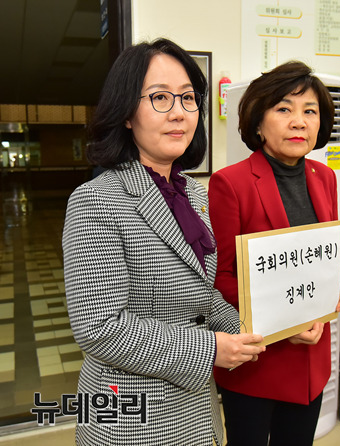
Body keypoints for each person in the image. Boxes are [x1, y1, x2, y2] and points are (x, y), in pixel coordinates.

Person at [62, 38, 265, 446]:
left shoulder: (192, 192)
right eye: (159, 97)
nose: (178, 113)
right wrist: (208, 350)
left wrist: (255, 329)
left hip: (195, 408)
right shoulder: (96, 200)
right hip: (132, 416)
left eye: (188, 98)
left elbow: (201, 295)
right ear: (125, 115)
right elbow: (99, 328)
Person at [208, 61, 340, 446]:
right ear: (258, 122)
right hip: (259, 362)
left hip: (312, 362)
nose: (299, 122)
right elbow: (221, 277)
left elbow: (328, 255)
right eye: (284, 109)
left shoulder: (323, 177)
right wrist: (283, 324)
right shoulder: (231, 183)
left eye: (310, 111)